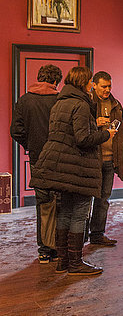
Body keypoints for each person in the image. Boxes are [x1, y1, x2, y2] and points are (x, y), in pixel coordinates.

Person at [30, 66, 116, 276]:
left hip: (60, 166)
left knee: (65, 212)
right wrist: (106, 135)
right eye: (89, 81)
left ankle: (63, 261)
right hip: (77, 168)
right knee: (78, 214)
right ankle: (76, 263)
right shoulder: (81, 104)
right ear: (84, 82)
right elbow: (82, 139)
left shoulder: (60, 102)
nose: (91, 85)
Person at [10, 64, 63, 264]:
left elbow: (16, 131)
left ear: (39, 77)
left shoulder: (24, 100)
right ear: (56, 81)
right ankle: (60, 246)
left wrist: (30, 145)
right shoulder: (59, 100)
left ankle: (44, 249)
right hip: (59, 157)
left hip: (37, 157)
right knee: (61, 201)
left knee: (43, 202)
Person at [89, 71, 123, 246]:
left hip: (110, 159)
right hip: (91, 158)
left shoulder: (116, 105)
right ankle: (80, 237)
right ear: (94, 85)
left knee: (104, 199)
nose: (107, 89)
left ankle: (97, 235)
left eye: (109, 86)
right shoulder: (87, 103)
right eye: (103, 86)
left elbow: (122, 131)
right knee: (85, 199)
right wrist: (94, 123)